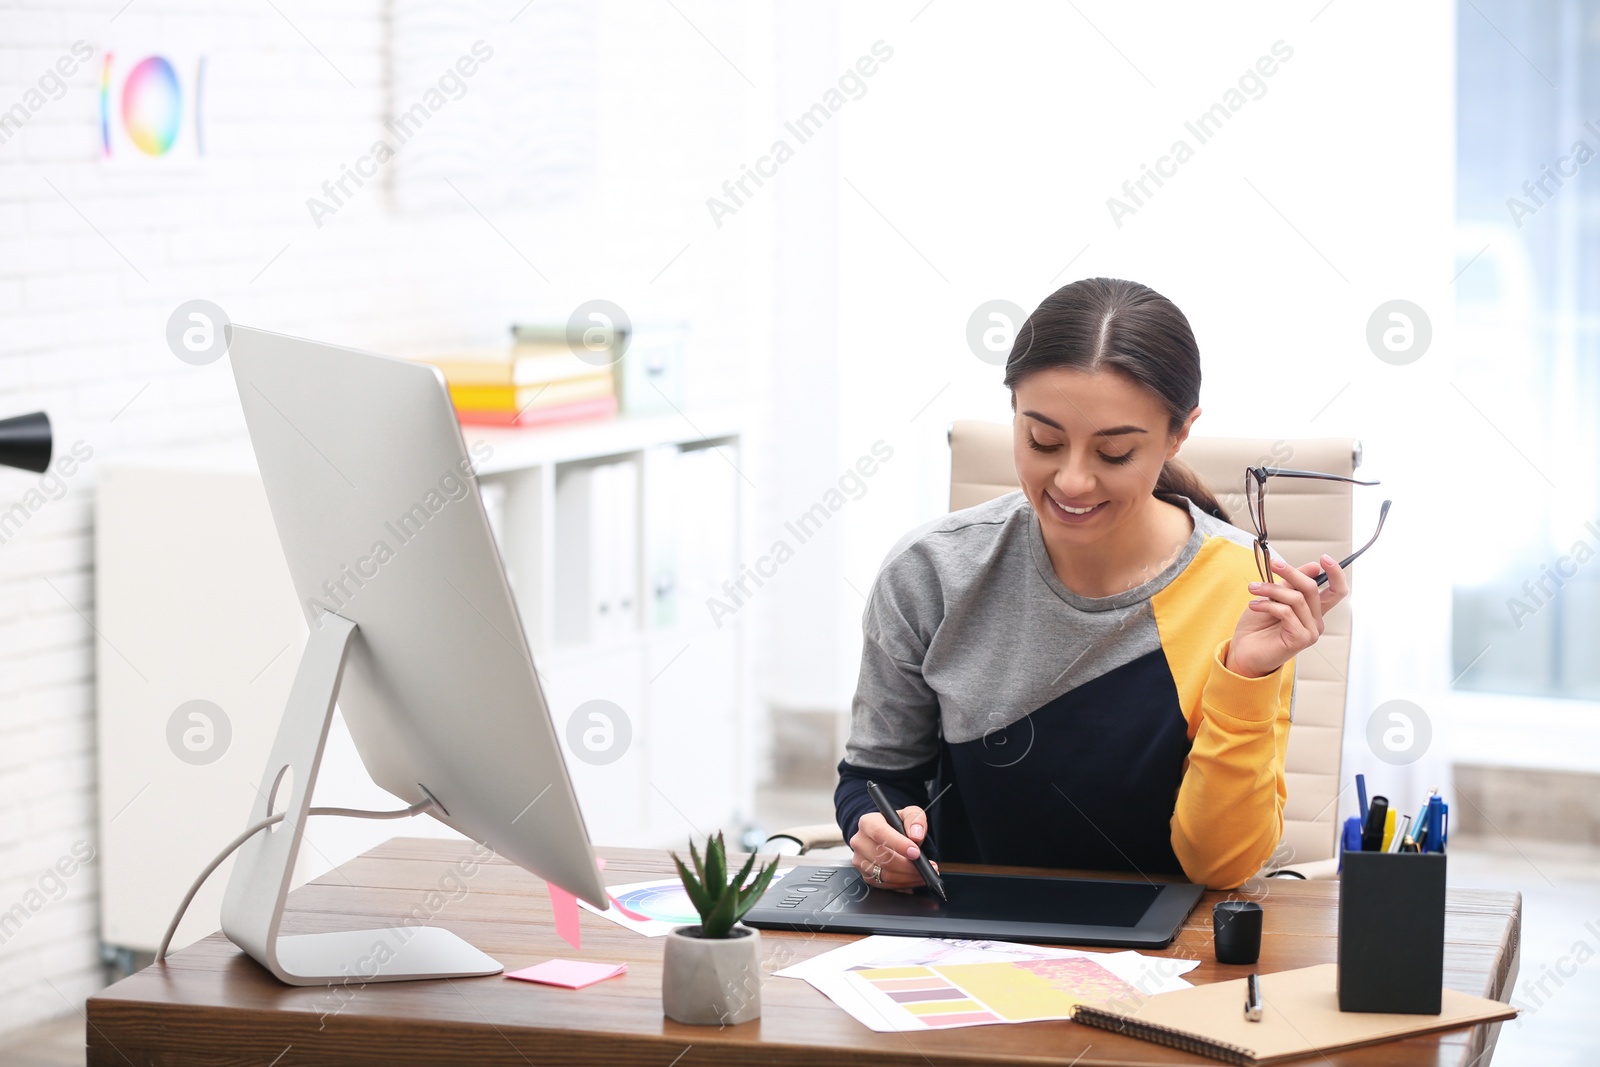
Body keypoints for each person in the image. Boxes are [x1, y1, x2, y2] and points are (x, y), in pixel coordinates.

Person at [834, 277, 1348, 891]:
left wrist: (1247, 678)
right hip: (964, 940)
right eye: (1043, 441)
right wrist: (875, 832)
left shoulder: (1246, 590)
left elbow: (1220, 866)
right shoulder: (929, 573)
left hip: (1165, 957)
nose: (1073, 481)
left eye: (1114, 454)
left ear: (1179, 433)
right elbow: (876, 777)